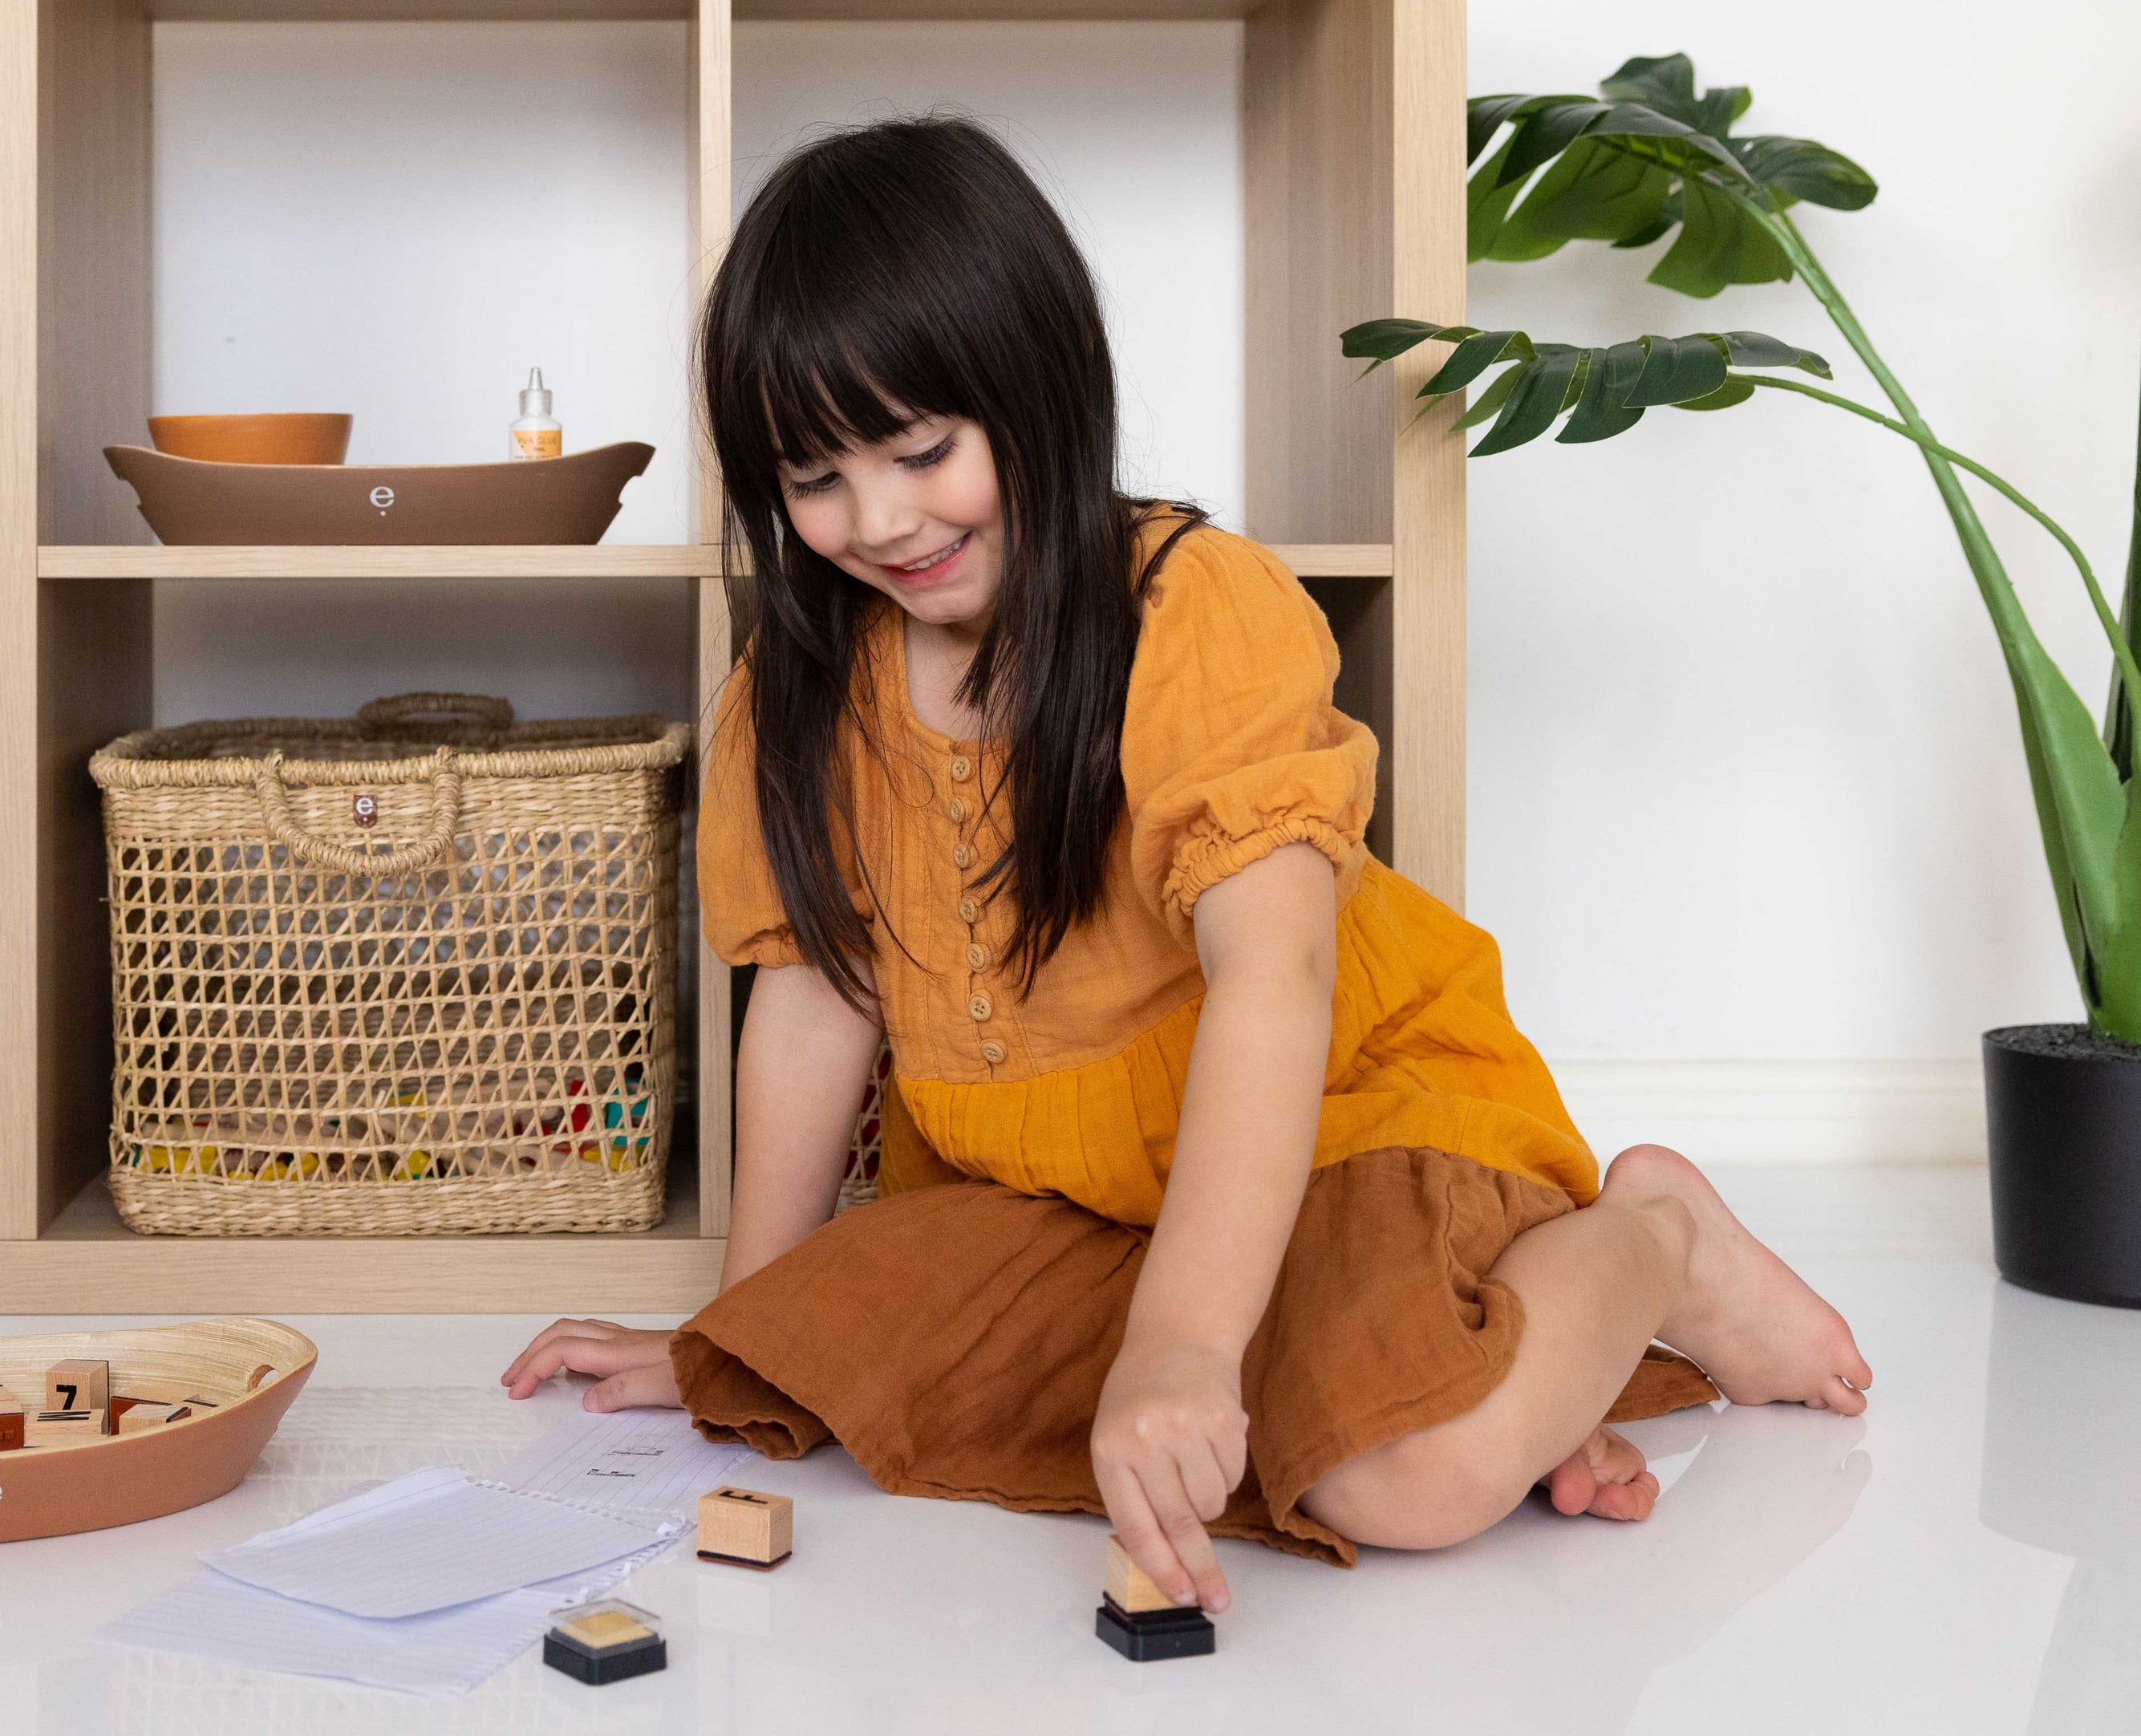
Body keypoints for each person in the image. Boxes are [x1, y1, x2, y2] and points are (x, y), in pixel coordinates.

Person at [499, 115, 1871, 1614]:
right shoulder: (801, 695)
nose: (879, 521)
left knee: (1396, 1478)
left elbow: (1272, 978)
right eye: (815, 477)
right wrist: (738, 1330)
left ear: (1038, 387)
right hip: (1060, 1191)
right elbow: (818, 1003)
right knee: (821, 1375)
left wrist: (1184, 1348)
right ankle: (1465, 1366)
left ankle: (1657, 1238)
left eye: (920, 452)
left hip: (1336, 1113)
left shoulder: (1193, 609)